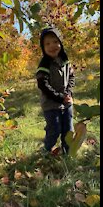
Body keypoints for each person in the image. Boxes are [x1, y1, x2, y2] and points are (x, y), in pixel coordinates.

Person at [36, 27, 75, 155]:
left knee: (68, 129)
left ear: (60, 43)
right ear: (43, 47)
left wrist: (68, 93)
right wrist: (59, 97)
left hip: (66, 101)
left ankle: (67, 151)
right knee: (54, 128)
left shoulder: (65, 60)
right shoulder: (44, 64)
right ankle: (47, 149)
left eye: (55, 41)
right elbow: (43, 85)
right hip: (51, 104)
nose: (52, 46)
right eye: (47, 44)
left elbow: (71, 77)